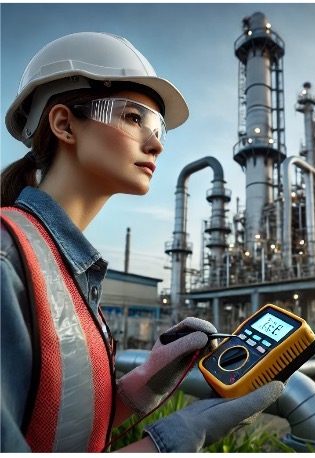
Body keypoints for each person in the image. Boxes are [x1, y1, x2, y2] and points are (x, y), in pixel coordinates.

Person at [0, 32, 284, 453]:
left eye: (158, 127)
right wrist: (167, 444)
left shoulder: (60, 266)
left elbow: (56, 423)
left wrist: (147, 381)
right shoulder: (9, 260)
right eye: (133, 118)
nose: (156, 144)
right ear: (63, 124)